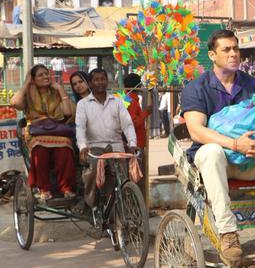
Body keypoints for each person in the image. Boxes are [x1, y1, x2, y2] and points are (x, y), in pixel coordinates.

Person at [181, 29, 255, 267]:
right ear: (213, 55)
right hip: (218, 164)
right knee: (211, 151)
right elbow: (196, 131)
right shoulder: (196, 88)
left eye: (236, 49)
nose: (234, 54)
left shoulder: (253, 85)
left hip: (251, 160)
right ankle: (228, 235)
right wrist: (236, 144)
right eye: (226, 50)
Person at [11, 64, 76, 201]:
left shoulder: (55, 92)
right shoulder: (28, 93)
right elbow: (16, 103)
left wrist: (59, 89)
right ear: (33, 79)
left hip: (56, 131)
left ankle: (66, 188)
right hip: (36, 133)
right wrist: (26, 83)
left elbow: (68, 112)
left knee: (65, 146)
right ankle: (44, 188)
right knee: (39, 148)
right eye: (40, 75)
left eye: (47, 74)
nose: (46, 76)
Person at [76, 69, 138, 208]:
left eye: (102, 79)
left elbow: (127, 125)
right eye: (96, 80)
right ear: (91, 83)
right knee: (93, 171)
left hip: (116, 147)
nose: (100, 82)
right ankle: (90, 203)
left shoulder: (117, 101)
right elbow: (80, 128)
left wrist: (132, 143)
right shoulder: (83, 104)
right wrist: (82, 146)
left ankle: (125, 209)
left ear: (107, 81)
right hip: (94, 147)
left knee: (123, 179)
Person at [124, 73, 151, 150]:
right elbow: (133, 123)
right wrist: (146, 112)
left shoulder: (126, 98)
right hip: (135, 143)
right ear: (138, 86)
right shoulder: (131, 101)